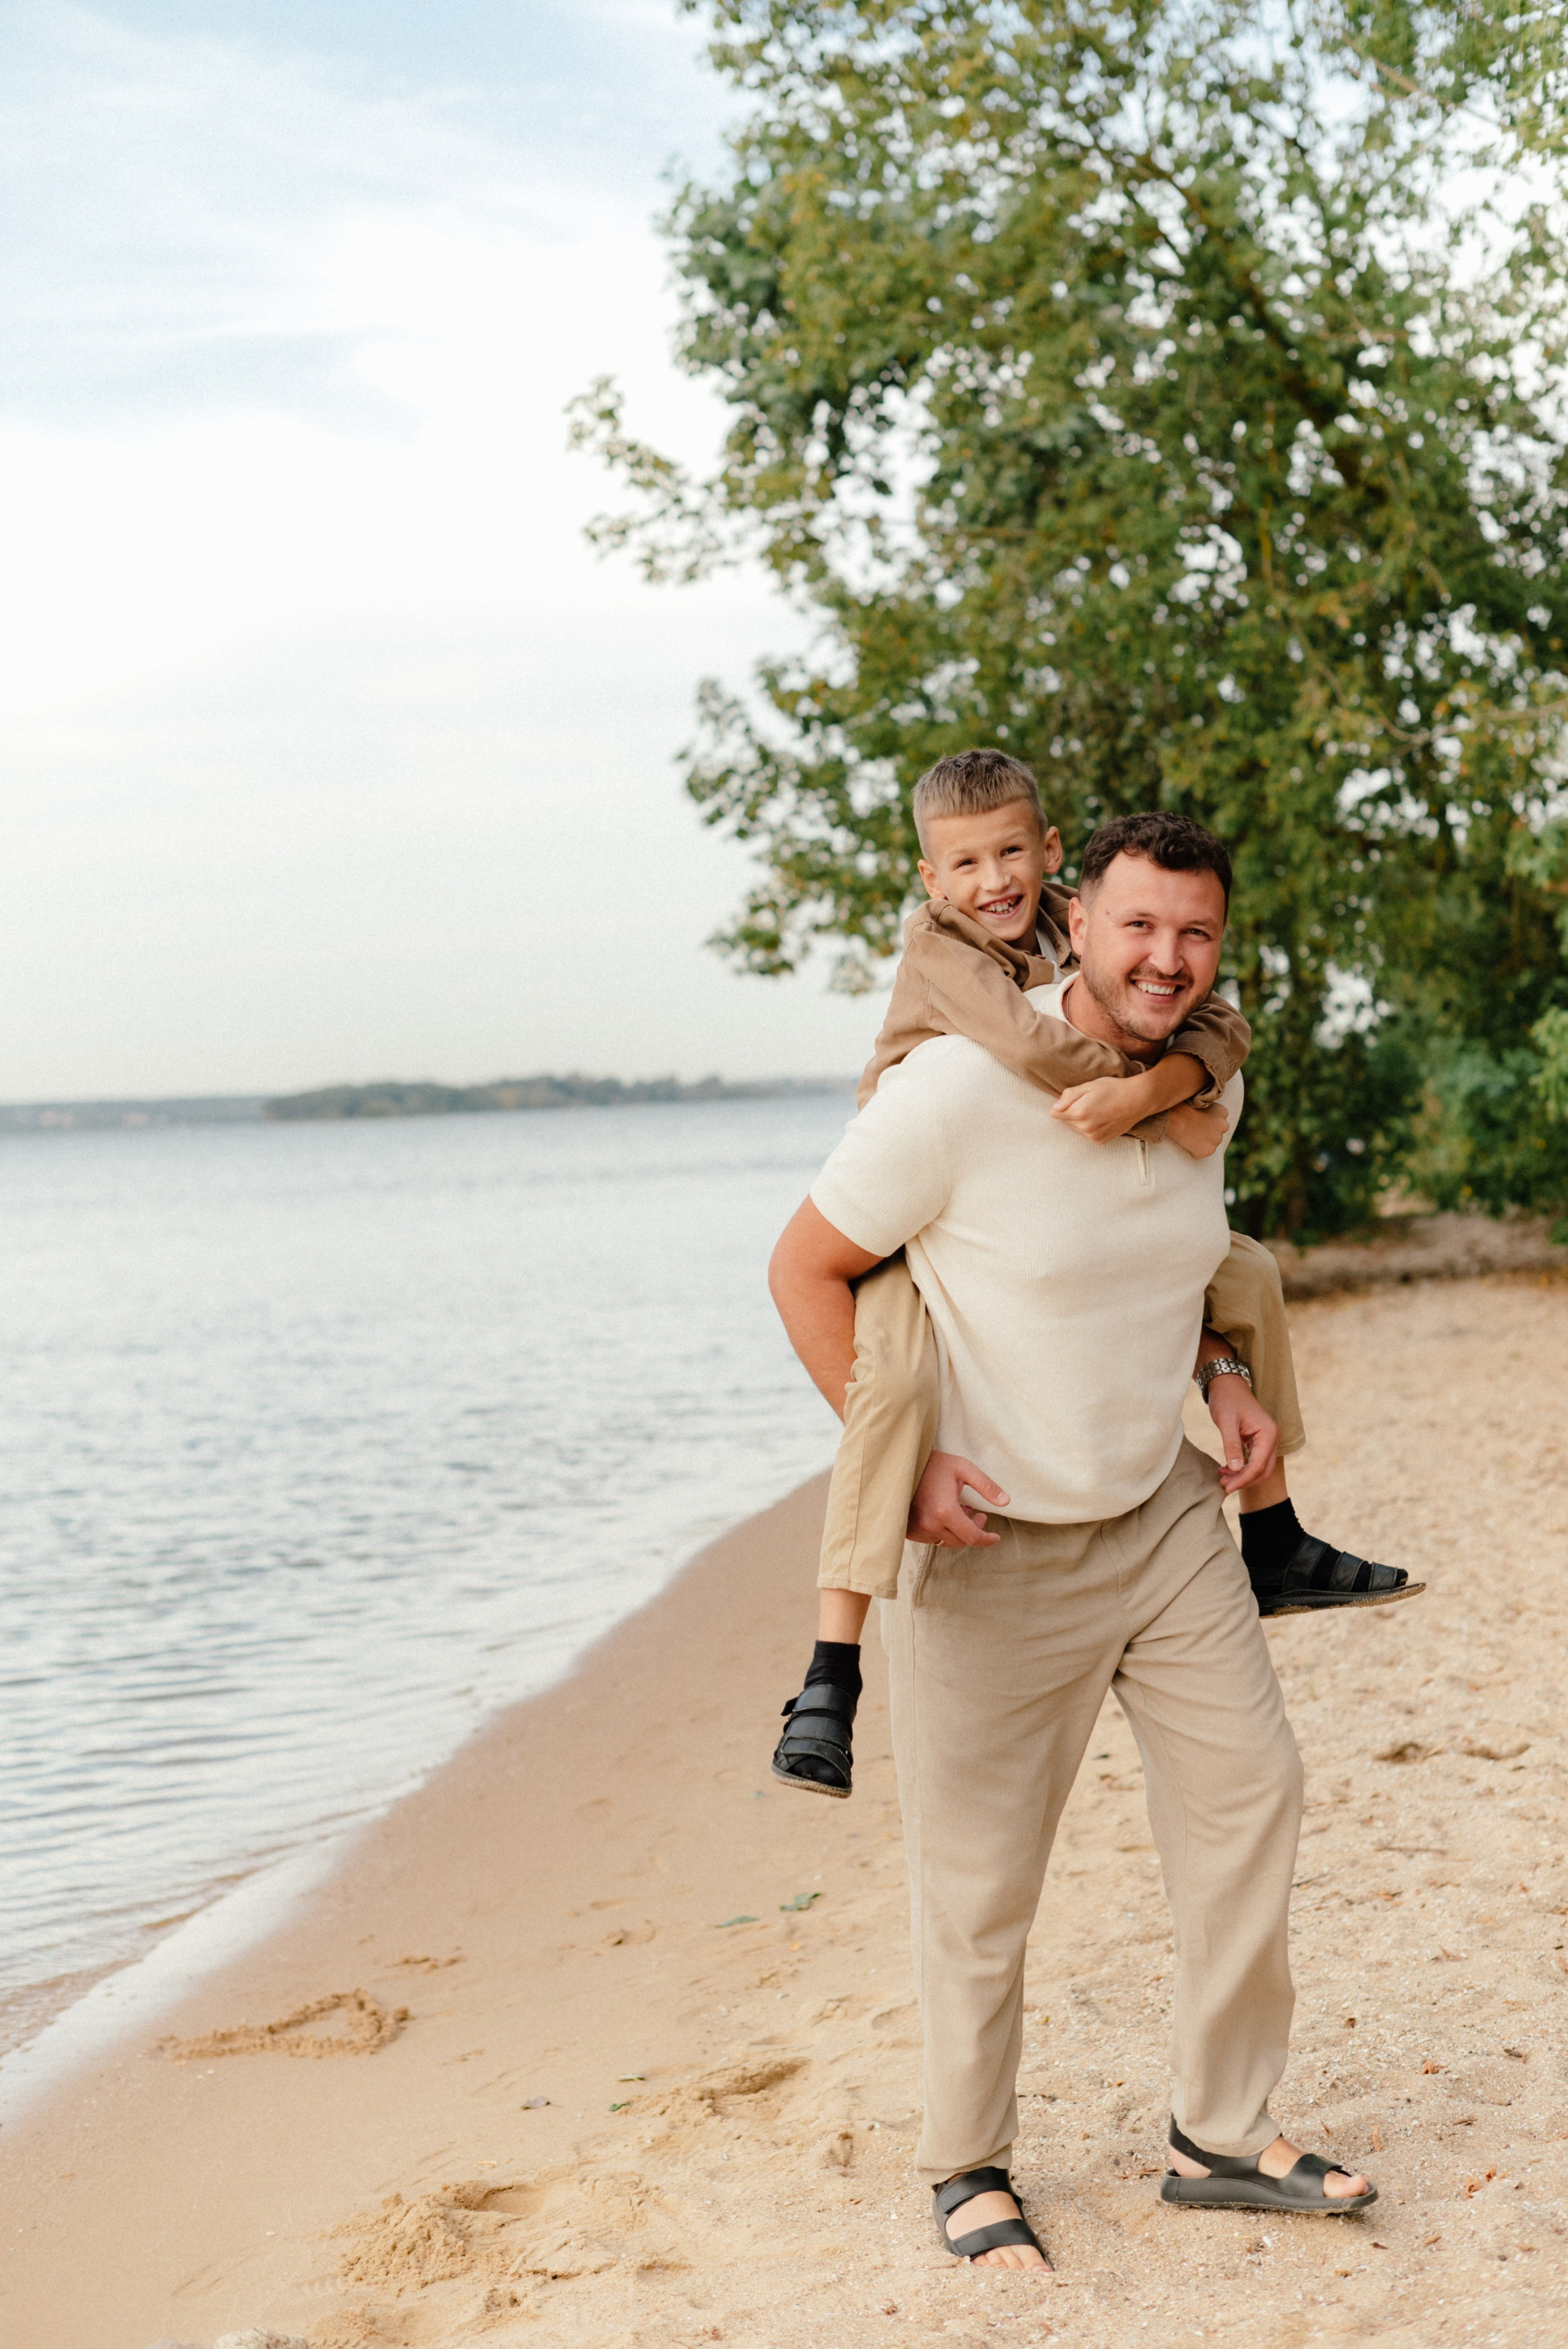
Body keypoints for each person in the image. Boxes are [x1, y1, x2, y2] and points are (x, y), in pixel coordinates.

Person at [767, 811, 1378, 2272]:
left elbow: (1176, 1267)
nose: (1166, 958)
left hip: (1160, 1517)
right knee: (979, 1885)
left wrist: (1225, 1382)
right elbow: (803, 1267)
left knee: (1251, 1793)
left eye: (1196, 934)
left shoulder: (1197, 1093)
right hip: (995, 1552)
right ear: (1073, 921)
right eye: (1138, 927)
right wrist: (902, 1464)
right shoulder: (954, 1091)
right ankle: (965, 2163)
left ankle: (1220, 2134)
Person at [770, 752, 1415, 1802]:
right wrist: (1151, 1099)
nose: (995, 879)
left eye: (1013, 852)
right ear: (930, 880)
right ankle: (829, 1675)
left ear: (1053, 856)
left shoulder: (1092, 921)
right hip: (905, 1229)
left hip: (1145, 1494)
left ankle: (1277, 1533)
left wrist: (1177, 1081)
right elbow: (1032, 1047)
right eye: (967, 862)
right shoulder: (948, 961)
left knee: (1241, 1269)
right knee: (884, 1393)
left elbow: (1223, 1027)